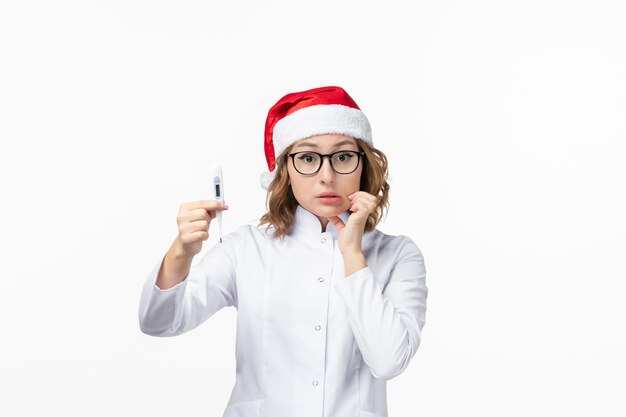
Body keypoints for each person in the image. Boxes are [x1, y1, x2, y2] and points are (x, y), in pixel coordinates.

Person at [138, 86, 428, 417]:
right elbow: (158, 322)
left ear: (364, 165)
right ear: (285, 171)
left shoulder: (399, 255)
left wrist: (353, 256)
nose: (327, 176)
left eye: (344, 156)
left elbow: (389, 361)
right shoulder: (247, 248)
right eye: (308, 158)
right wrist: (182, 252)